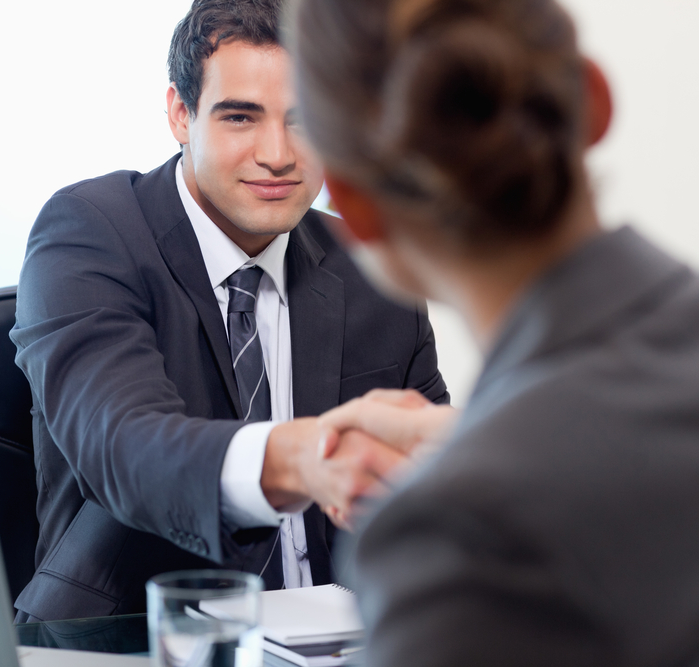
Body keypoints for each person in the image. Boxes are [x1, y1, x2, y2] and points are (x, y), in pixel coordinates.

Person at [9, 0, 448, 622]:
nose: (279, 154)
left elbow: (430, 492)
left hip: (343, 637)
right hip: (137, 637)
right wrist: (306, 457)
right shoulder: (90, 232)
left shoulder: (370, 264)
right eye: (241, 116)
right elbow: (126, 448)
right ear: (180, 114)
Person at [291, 0, 699, 663]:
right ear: (594, 100)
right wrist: (474, 432)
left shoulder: (460, 532)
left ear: (354, 209)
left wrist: (480, 458)